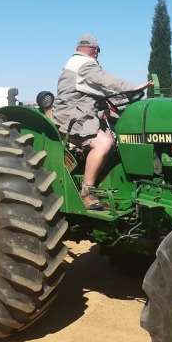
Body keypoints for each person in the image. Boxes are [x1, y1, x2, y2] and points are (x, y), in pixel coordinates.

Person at [53, 34, 149, 210]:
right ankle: (87, 192)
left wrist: (124, 98)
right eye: (98, 51)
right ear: (95, 50)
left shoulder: (76, 64)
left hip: (80, 111)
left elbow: (102, 90)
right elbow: (105, 81)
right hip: (73, 116)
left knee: (119, 129)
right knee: (104, 143)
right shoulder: (84, 64)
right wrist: (131, 87)